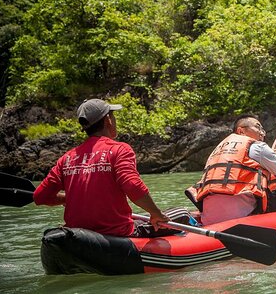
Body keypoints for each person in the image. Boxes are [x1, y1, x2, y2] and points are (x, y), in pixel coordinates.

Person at [32, 98, 172, 237]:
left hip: (78, 234)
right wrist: (156, 213)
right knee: (182, 215)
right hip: (118, 234)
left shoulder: (67, 158)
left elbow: (40, 197)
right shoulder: (119, 149)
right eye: (113, 116)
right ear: (107, 120)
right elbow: (132, 185)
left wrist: (66, 198)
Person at [190, 114, 276, 231]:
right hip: (241, 215)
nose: (263, 132)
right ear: (241, 131)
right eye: (258, 127)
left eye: (263, 129)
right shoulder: (257, 148)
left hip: (210, 217)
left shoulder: (217, 150)